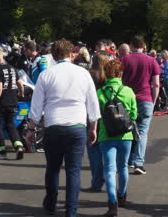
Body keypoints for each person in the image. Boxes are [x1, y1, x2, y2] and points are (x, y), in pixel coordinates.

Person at [27, 39, 101, 217]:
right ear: (71, 54)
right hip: (77, 126)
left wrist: (31, 129)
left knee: (52, 167)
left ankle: (51, 203)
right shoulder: (83, 74)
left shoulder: (47, 75)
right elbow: (93, 103)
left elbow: (36, 106)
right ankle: (71, 211)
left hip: (53, 126)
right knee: (73, 171)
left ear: (53, 55)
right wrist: (93, 128)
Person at [97, 60, 137, 216]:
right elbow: (134, 115)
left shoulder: (99, 92)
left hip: (106, 135)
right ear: (121, 73)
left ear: (106, 74)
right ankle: (122, 196)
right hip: (125, 135)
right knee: (123, 167)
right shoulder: (128, 91)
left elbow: (96, 114)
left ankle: (112, 204)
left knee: (109, 169)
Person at [121, 35, 161, 175]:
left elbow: (119, 80)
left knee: (127, 130)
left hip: (126, 99)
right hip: (145, 98)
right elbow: (156, 83)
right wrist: (154, 101)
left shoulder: (124, 60)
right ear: (144, 46)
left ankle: (127, 161)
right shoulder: (152, 61)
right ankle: (138, 162)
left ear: (131, 46)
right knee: (142, 131)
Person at [0, 50, 25, 160]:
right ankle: (18, 146)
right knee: (10, 125)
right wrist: (21, 93)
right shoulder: (12, 68)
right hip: (12, 101)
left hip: (2, 102)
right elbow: (20, 83)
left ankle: (2, 151)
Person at [85, 52, 110, 194]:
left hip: (91, 115)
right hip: (108, 115)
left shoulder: (89, 74)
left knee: (93, 151)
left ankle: (97, 182)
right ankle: (109, 181)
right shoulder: (109, 76)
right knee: (107, 150)